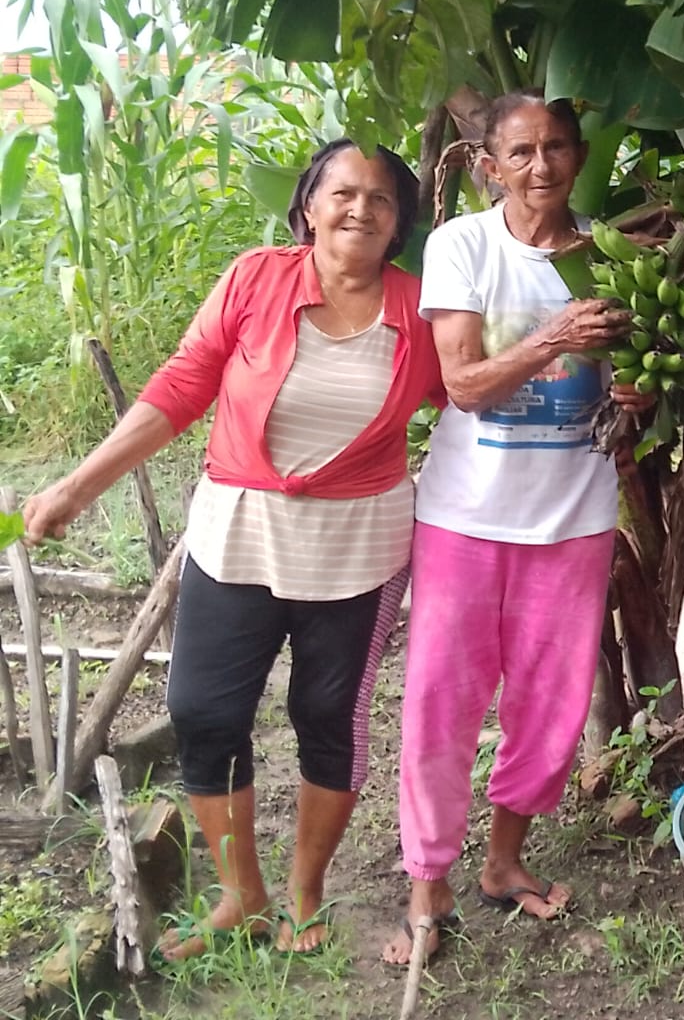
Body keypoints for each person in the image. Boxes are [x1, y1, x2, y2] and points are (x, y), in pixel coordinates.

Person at [23, 139, 442, 958]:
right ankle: (239, 895)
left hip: (356, 548)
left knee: (328, 717)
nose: (359, 209)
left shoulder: (419, 315)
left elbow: (472, 393)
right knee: (202, 713)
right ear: (309, 205)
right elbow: (182, 385)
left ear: (401, 224)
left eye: (381, 200)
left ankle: (303, 897)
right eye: (342, 192)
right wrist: (77, 486)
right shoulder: (255, 279)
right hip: (238, 533)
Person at [380, 93, 651, 965]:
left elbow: (627, 389)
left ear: (579, 154)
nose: (543, 166)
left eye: (559, 147)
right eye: (522, 152)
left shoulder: (610, 255)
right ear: (490, 165)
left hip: (574, 518)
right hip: (465, 516)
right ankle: (428, 879)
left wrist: (636, 397)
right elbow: (460, 384)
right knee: (440, 702)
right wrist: (552, 337)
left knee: (552, 708)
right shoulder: (463, 245)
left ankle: (502, 861)